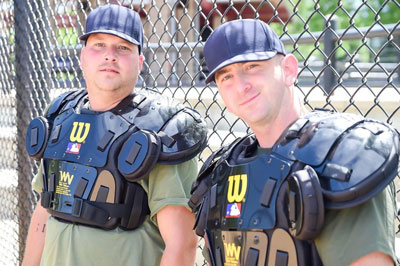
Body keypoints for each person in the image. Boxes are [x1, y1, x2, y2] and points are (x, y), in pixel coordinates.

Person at [189, 19, 399, 266]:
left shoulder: (340, 159)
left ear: (289, 69)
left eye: (253, 66)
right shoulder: (223, 171)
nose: (241, 86)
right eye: (226, 77)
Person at [22, 5, 207, 266]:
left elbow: (181, 246)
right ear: (82, 57)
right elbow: (44, 212)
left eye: (123, 48)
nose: (110, 56)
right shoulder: (61, 117)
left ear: (140, 61)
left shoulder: (160, 131)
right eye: (99, 45)